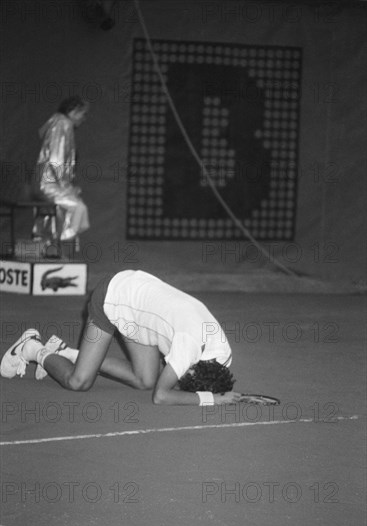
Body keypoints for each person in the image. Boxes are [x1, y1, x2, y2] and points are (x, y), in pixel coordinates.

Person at [0, 270, 242, 406]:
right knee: (79, 382)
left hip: (140, 308)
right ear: (194, 367)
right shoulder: (189, 346)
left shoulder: (220, 355)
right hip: (115, 298)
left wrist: (213, 389)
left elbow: (166, 383)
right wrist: (212, 399)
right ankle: (33, 348)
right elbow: (161, 395)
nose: (183, 377)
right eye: (188, 376)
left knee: (145, 379)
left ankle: (64, 352)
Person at [32, 96, 90, 243]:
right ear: (73, 111)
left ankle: (44, 242)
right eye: (83, 114)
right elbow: (56, 159)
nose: (84, 119)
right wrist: (65, 186)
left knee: (64, 209)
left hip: (47, 181)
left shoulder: (58, 123)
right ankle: (61, 240)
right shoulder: (62, 124)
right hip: (48, 183)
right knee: (78, 207)